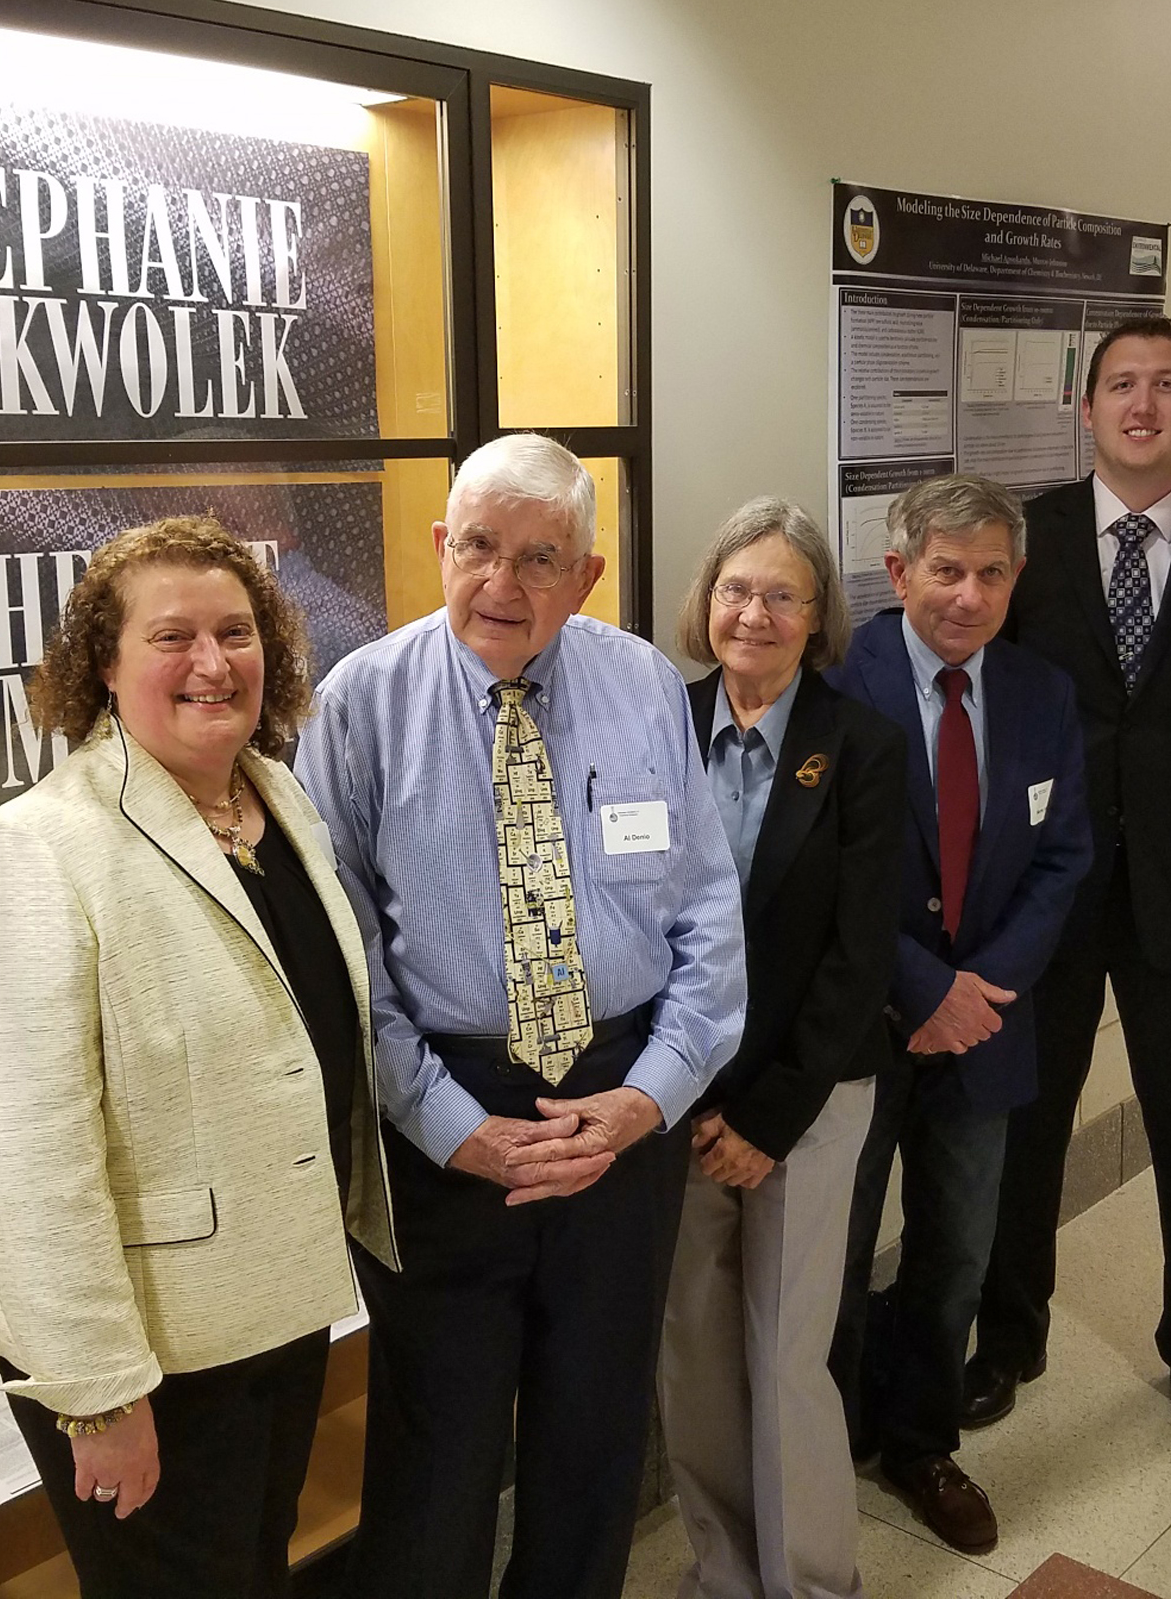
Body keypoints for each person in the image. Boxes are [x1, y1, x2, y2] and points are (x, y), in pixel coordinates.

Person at [294, 433, 746, 1599]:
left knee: (596, 1431)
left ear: (586, 576)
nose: (501, 582)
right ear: (440, 547)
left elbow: (707, 910)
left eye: (540, 558)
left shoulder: (643, 684)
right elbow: (345, 962)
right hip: (444, 1118)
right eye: (479, 548)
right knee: (436, 1448)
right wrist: (455, 1128)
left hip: (622, 1110)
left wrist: (650, 1097)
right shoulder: (360, 705)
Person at [0, 515, 396, 1599]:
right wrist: (98, 1393)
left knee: (251, 1571)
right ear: (102, 665)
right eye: (172, 637)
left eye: (236, 632)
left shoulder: (275, 797)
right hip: (147, 1349)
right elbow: (29, 1153)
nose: (213, 663)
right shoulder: (39, 847)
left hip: (271, 1303)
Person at [969, 317, 1171, 1460]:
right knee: (1028, 1126)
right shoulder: (1030, 537)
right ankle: (1008, 1339)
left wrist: (1161, 791)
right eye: (1121, 385)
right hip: (1047, 892)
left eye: (1166, 385)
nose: (1143, 404)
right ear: (1088, 407)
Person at [827, 473, 1091, 1556]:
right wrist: (921, 989)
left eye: (991, 573)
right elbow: (820, 874)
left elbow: (1064, 856)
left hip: (985, 1028)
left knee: (956, 1255)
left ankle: (922, 1443)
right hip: (861, 1028)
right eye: (946, 571)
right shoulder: (837, 687)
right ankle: (830, 1433)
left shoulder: (1041, 694)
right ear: (899, 573)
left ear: (1016, 578)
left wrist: (977, 994)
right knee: (836, 1253)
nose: (969, 596)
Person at [661, 498, 906, 1599]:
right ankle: (726, 1571)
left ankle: (808, 1584)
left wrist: (766, 1116)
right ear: (706, 602)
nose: (753, 615)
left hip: (807, 1101)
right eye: (735, 590)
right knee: (696, 1354)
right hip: (676, 1099)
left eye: (781, 596)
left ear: (818, 617)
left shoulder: (862, 747)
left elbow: (861, 958)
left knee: (785, 1357)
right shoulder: (655, 725)